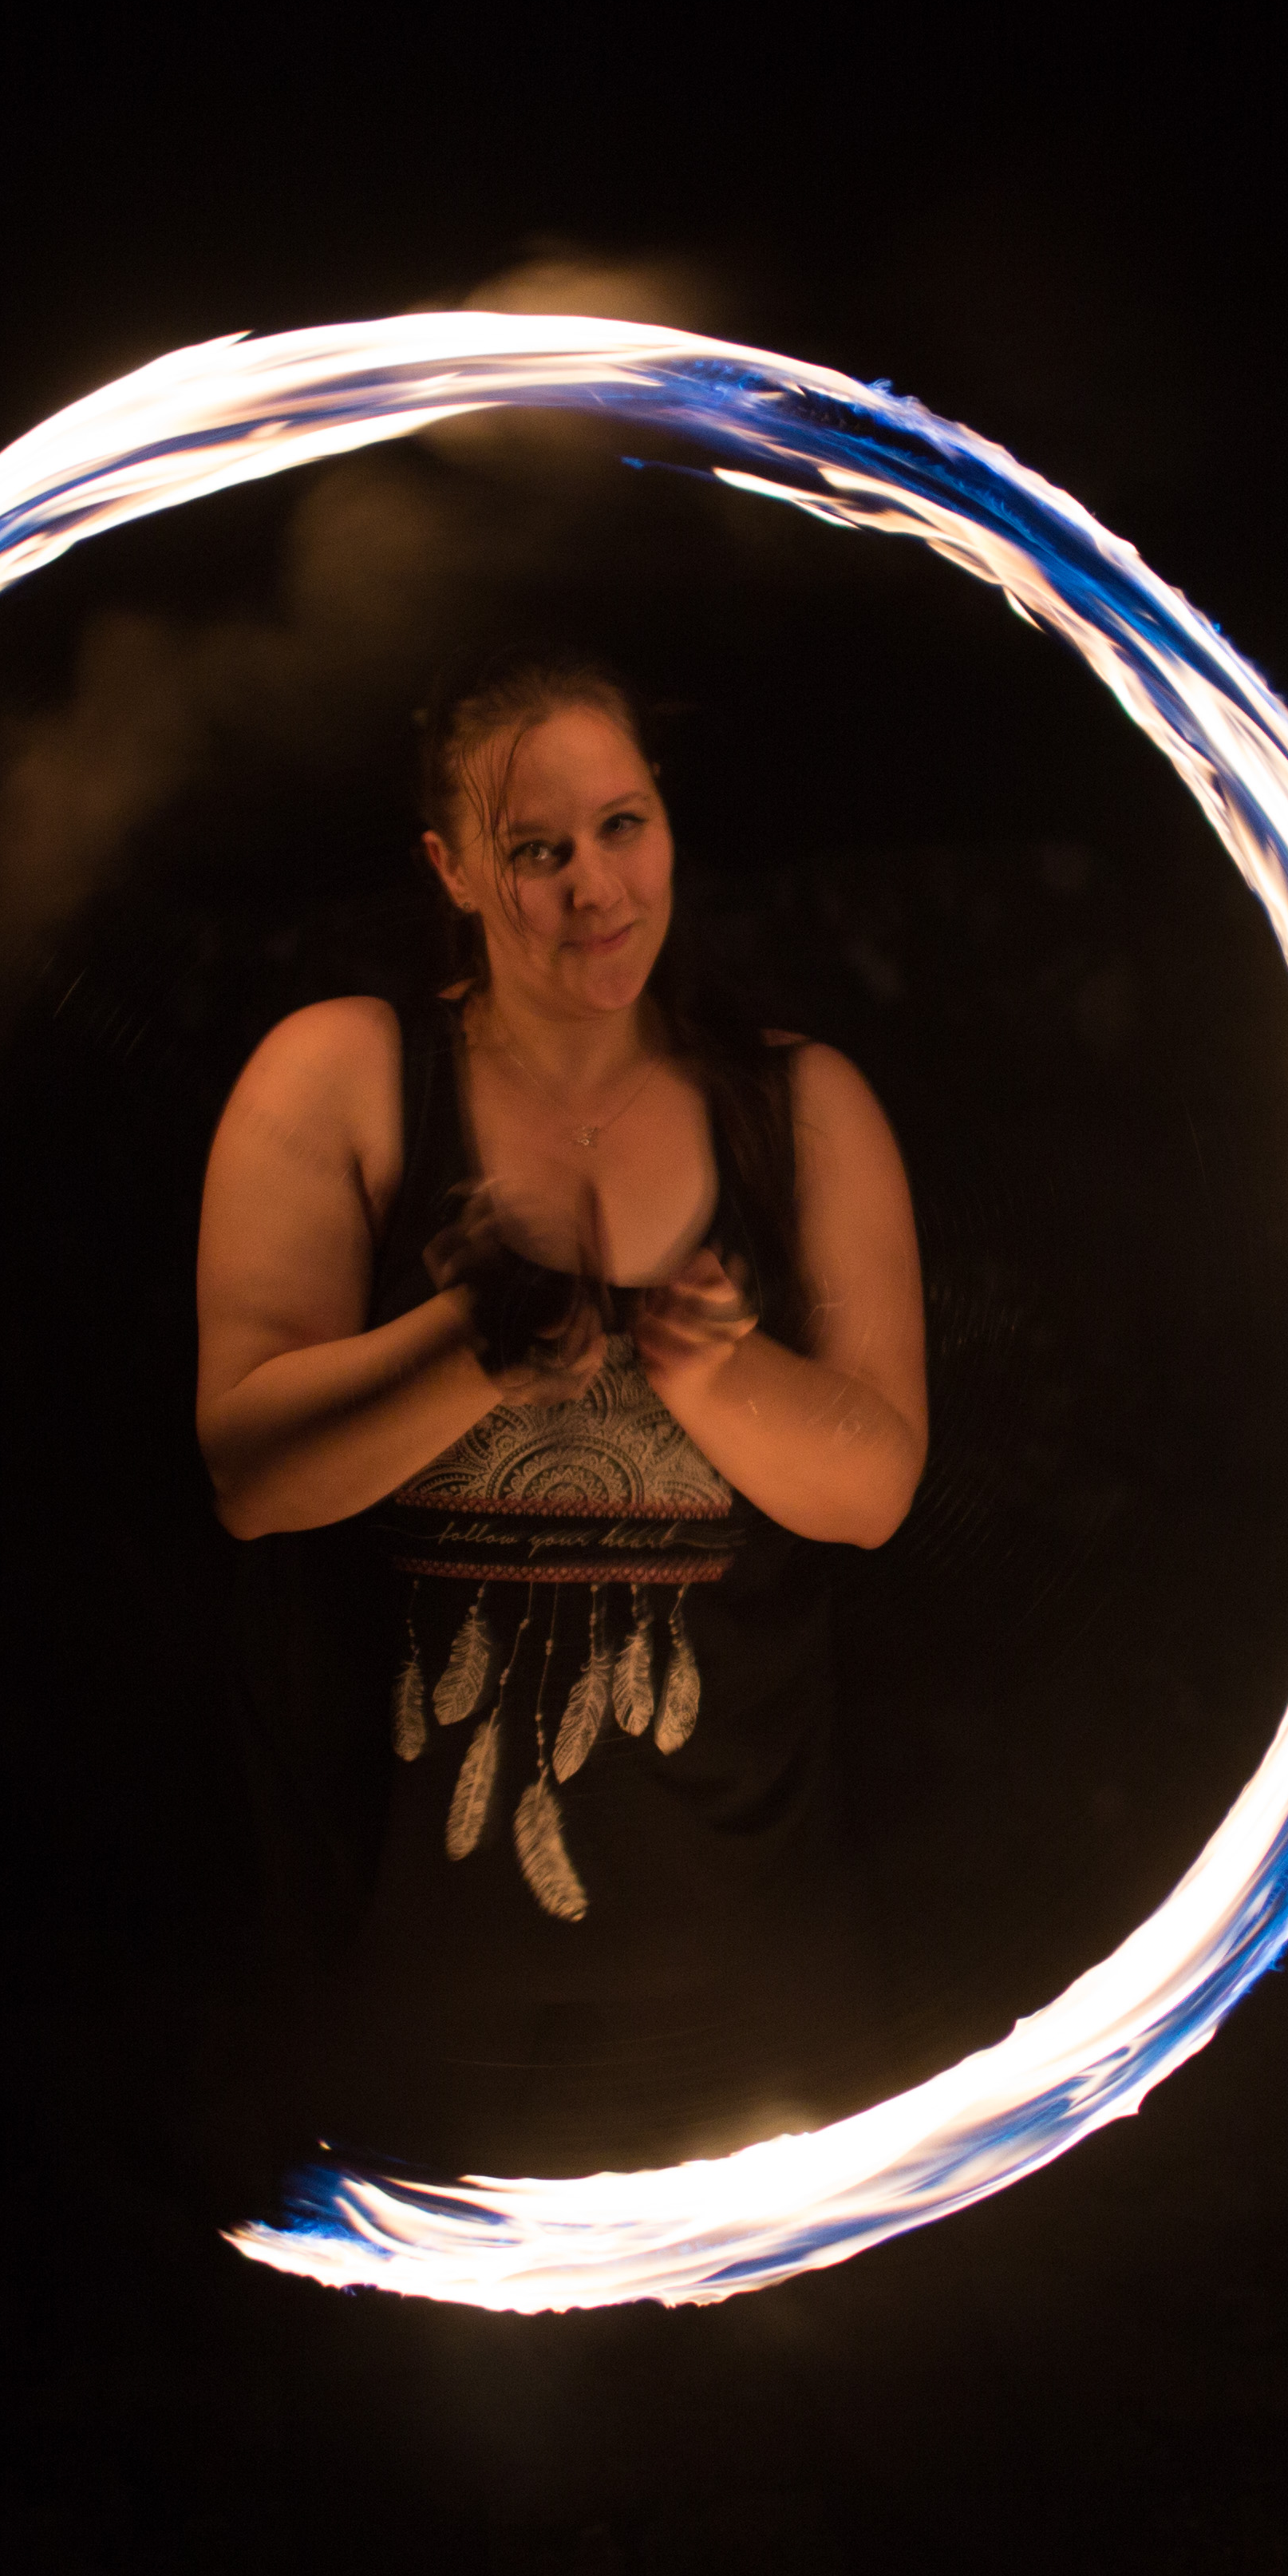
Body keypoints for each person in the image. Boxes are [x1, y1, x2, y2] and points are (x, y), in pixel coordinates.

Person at [196, 652, 927, 2173]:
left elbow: (873, 1489)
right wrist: (471, 1346)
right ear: (452, 871)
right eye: (536, 850)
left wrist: (711, 1367)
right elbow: (252, 1473)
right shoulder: (344, 1078)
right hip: (401, 2009)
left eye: (623, 826)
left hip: (753, 2014)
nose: (595, 886)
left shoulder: (799, 1109)